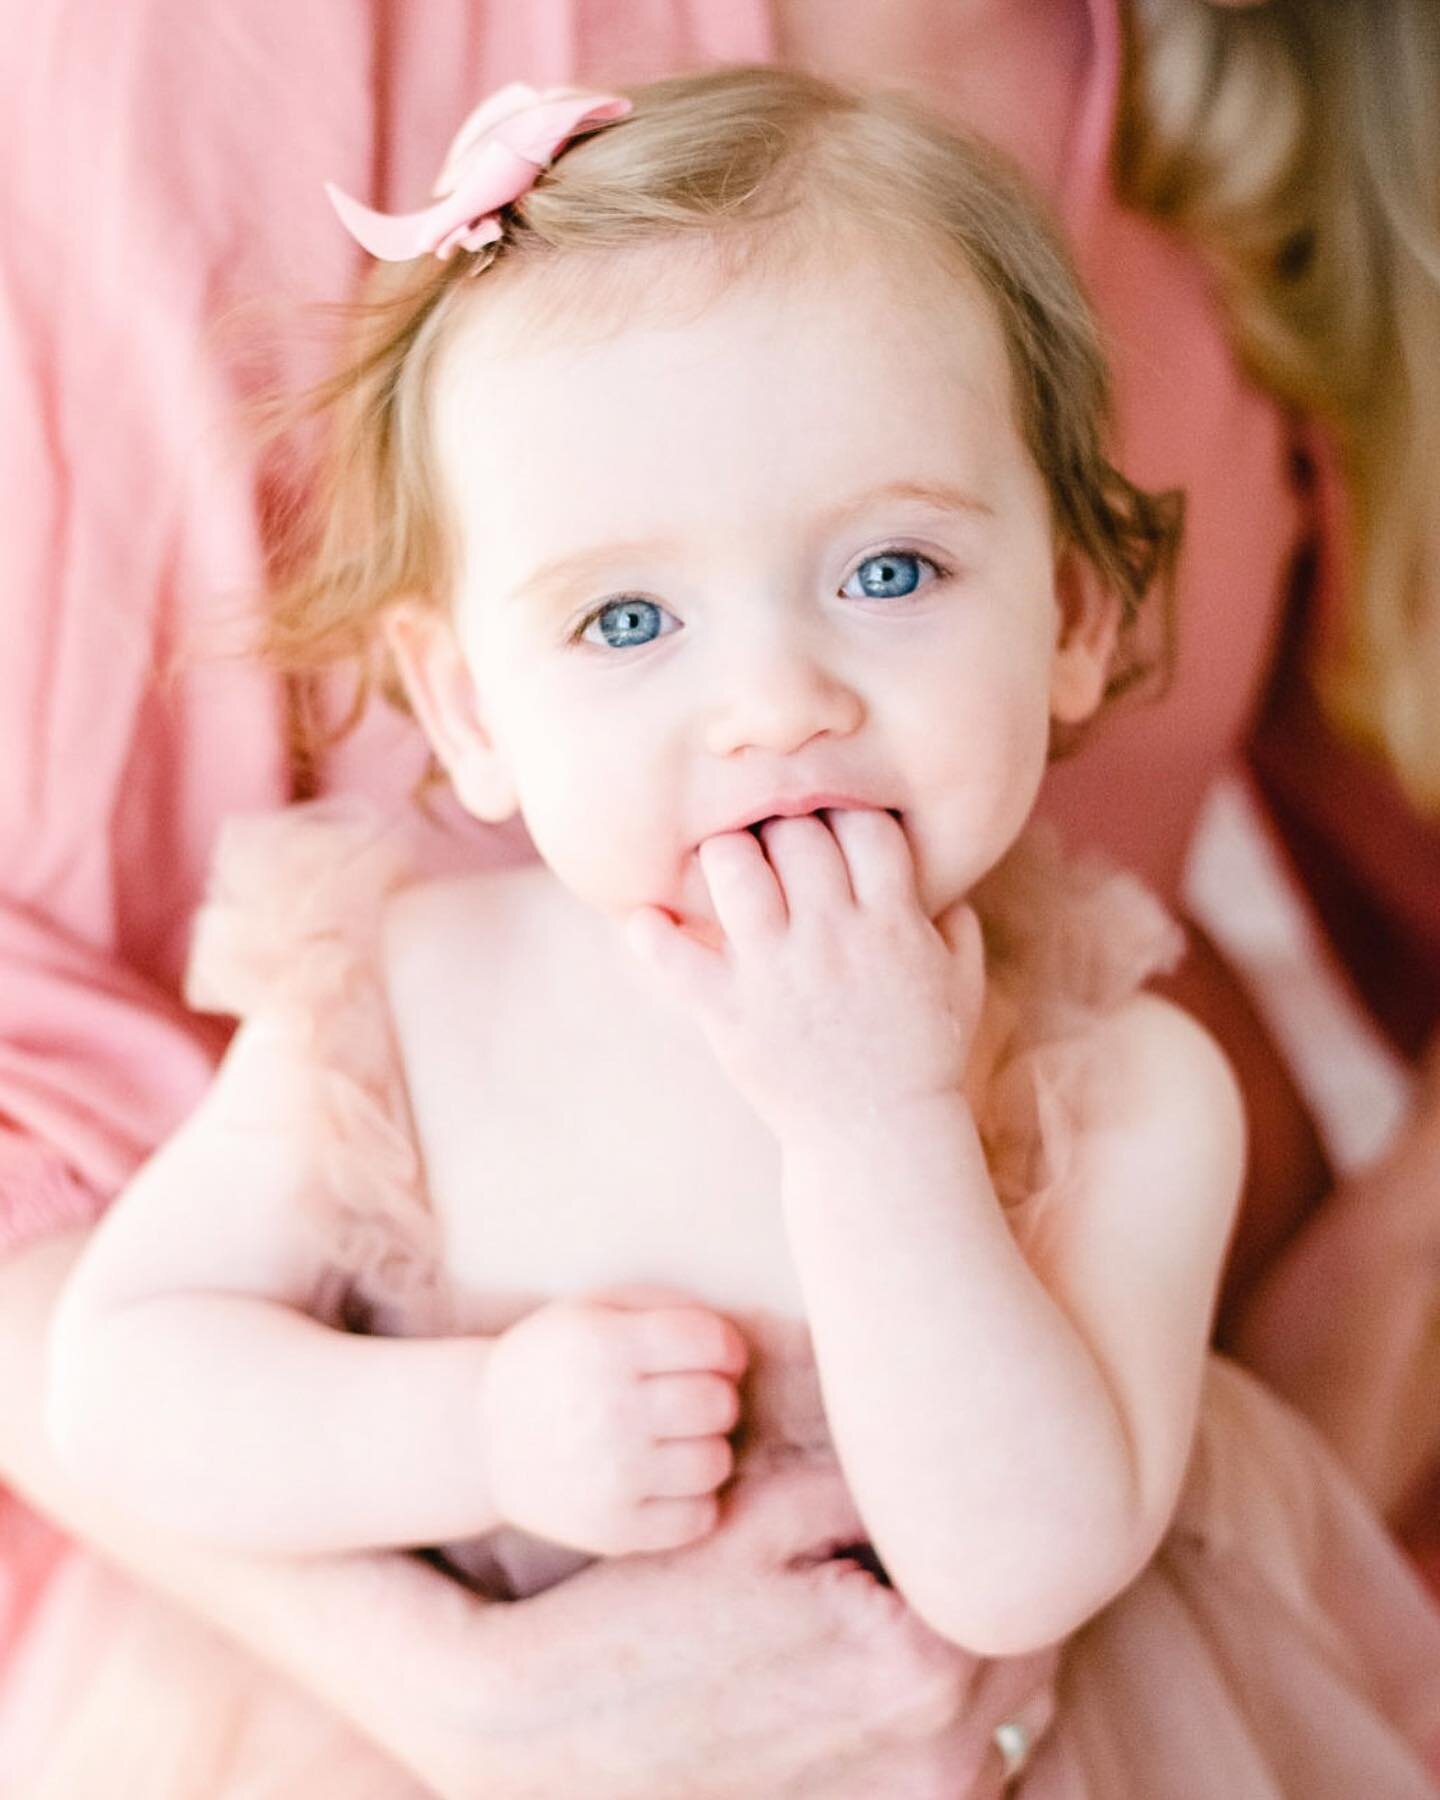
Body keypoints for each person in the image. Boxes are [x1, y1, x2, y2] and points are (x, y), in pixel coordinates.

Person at [1, 1, 1437, 1792]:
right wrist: (476, 1433)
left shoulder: (1119, 1086)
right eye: (626, 620)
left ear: (1075, 620)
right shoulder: (400, 1007)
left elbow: (1024, 1566)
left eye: (892, 569)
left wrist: (882, 1128)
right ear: (466, 710)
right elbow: (123, 1386)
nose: (776, 703)